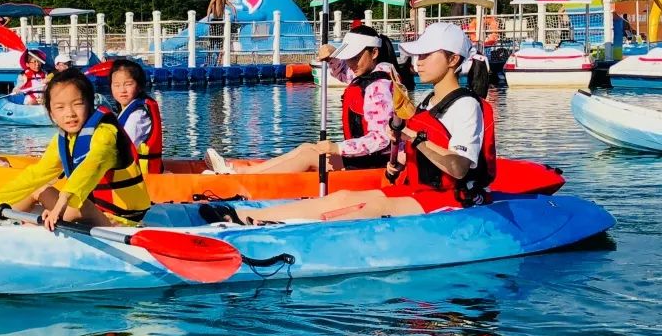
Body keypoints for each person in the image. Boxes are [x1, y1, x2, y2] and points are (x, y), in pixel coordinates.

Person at [204, 23, 495, 225]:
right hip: (419, 189)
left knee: (369, 206)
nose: (417, 61)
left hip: (451, 199)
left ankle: (266, 225)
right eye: (417, 54)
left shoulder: (466, 106)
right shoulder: (428, 101)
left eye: (426, 55)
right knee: (342, 196)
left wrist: (412, 136)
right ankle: (243, 215)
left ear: (453, 59)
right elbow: (416, 148)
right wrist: (401, 160)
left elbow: (458, 167)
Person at [0, 68, 152, 230]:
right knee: (39, 188)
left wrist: (61, 203)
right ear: (51, 113)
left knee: (60, 198)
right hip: (91, 209)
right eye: (60, 107)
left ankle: (12, 227)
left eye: (77, 104)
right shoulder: (63, 138)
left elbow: (92, 165)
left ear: (89, 104)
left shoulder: (105, 133)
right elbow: (36, 174)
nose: (69, 114)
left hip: (120, 221)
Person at [204, 26, 403, 174]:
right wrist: (333, 56)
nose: (351, 63)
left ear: (374, 53)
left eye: (355, 57)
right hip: (364, 158)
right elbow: (345, 73)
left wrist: (338, 148)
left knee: (310, 156)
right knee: (307, 147)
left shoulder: (379, 87)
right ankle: (245, 172)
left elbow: (382, 138)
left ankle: (244, 177)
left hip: (375, 163)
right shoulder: (370, 74)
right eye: (348, 57)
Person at [110, 58, 164, 174]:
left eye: (128, 84)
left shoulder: (137, 116)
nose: (122, 90)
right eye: (116, 85)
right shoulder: (126, 110)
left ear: (139, 86)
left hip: (137, 178)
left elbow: (122, 150)